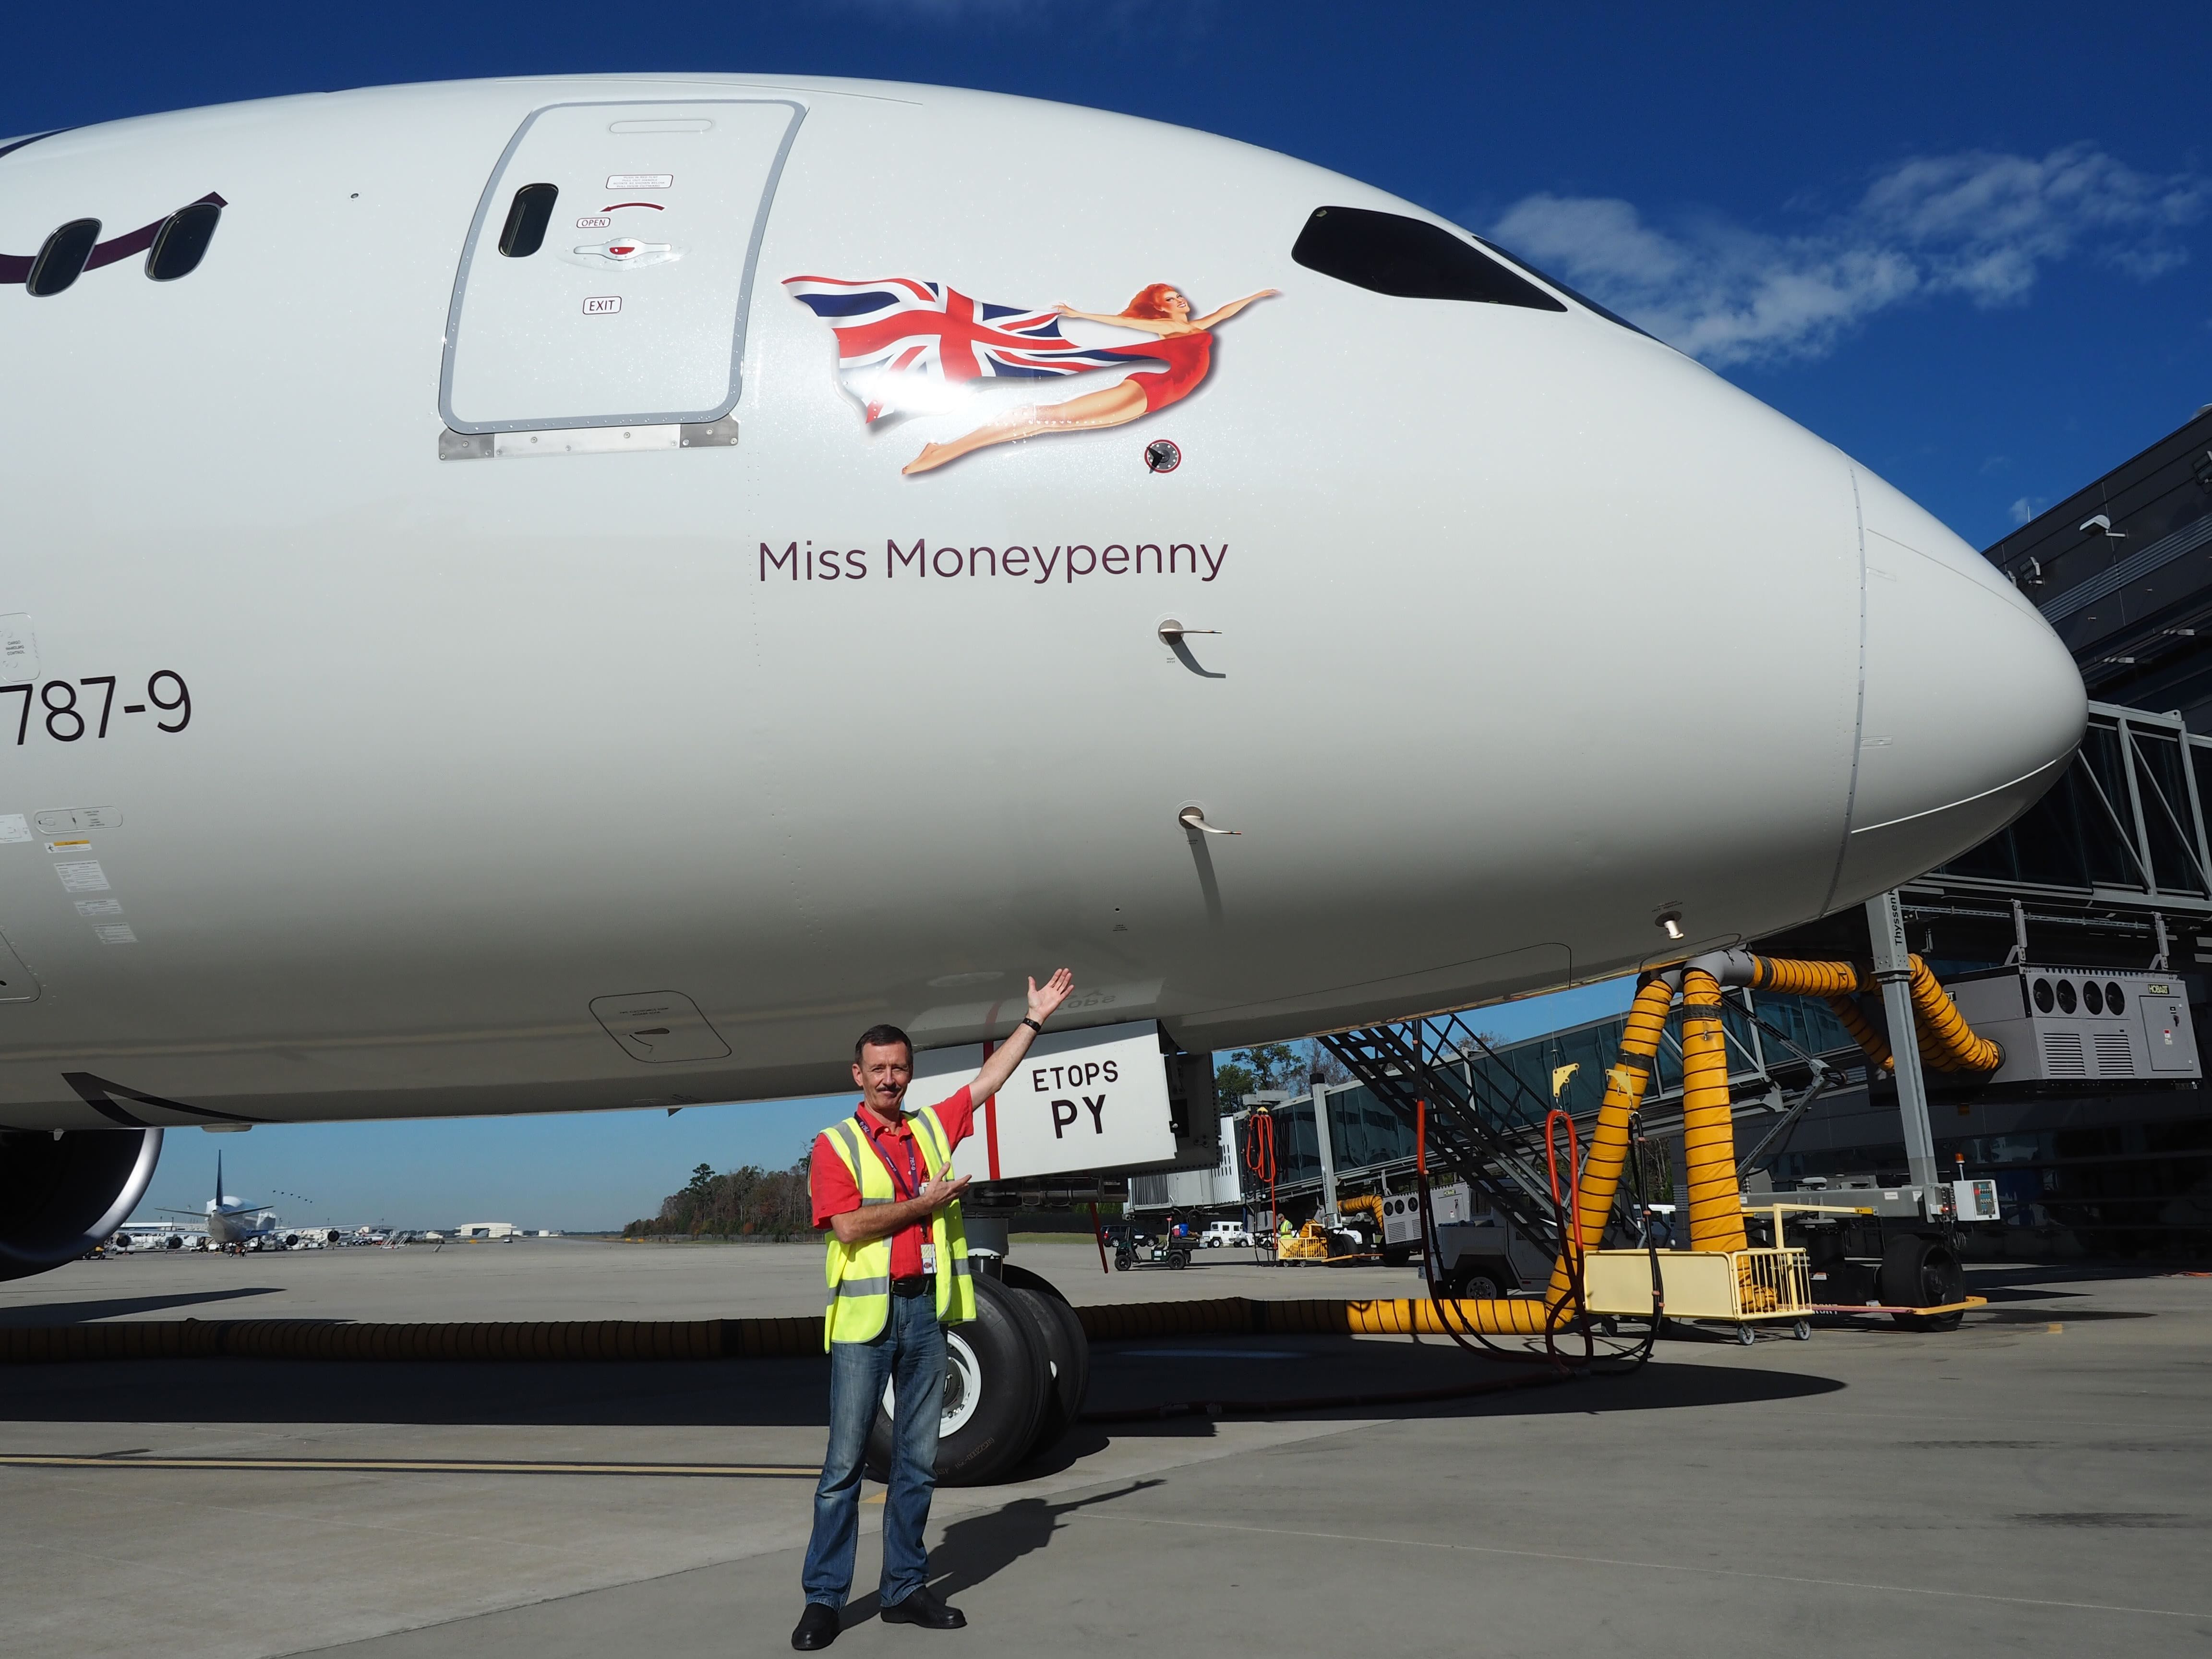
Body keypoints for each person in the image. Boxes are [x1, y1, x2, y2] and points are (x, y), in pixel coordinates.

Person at [791, 969, 1076, 1651]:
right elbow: (849, 1228)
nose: (890, 1079)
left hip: (924, 1317)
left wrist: (1034, 1020)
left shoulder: (929, 1129)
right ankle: (824, 1600)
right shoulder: (835, 1145)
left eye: (899, 1069)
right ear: (857, 1075)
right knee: (843, 1471)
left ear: (909, 1073)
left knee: (918, 1463)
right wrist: (925, 1204)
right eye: (878, 1069)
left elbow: (989, 1082)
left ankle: (904, 1589)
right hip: (867, 1323)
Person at [901, 283, 1276, 475]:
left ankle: (944, 452)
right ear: (1160, 308)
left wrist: (1257, 295)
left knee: (1043, 425)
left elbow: (1226, 312)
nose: (1180, 300)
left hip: (1161, 398)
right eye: (1171, 298)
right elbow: (1118, 322)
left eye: (1178, 296)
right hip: (1153, 389)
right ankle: (942, 452)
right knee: (1044, 417)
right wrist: (1078, 313)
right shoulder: (1167, 329)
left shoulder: (1195, 325)